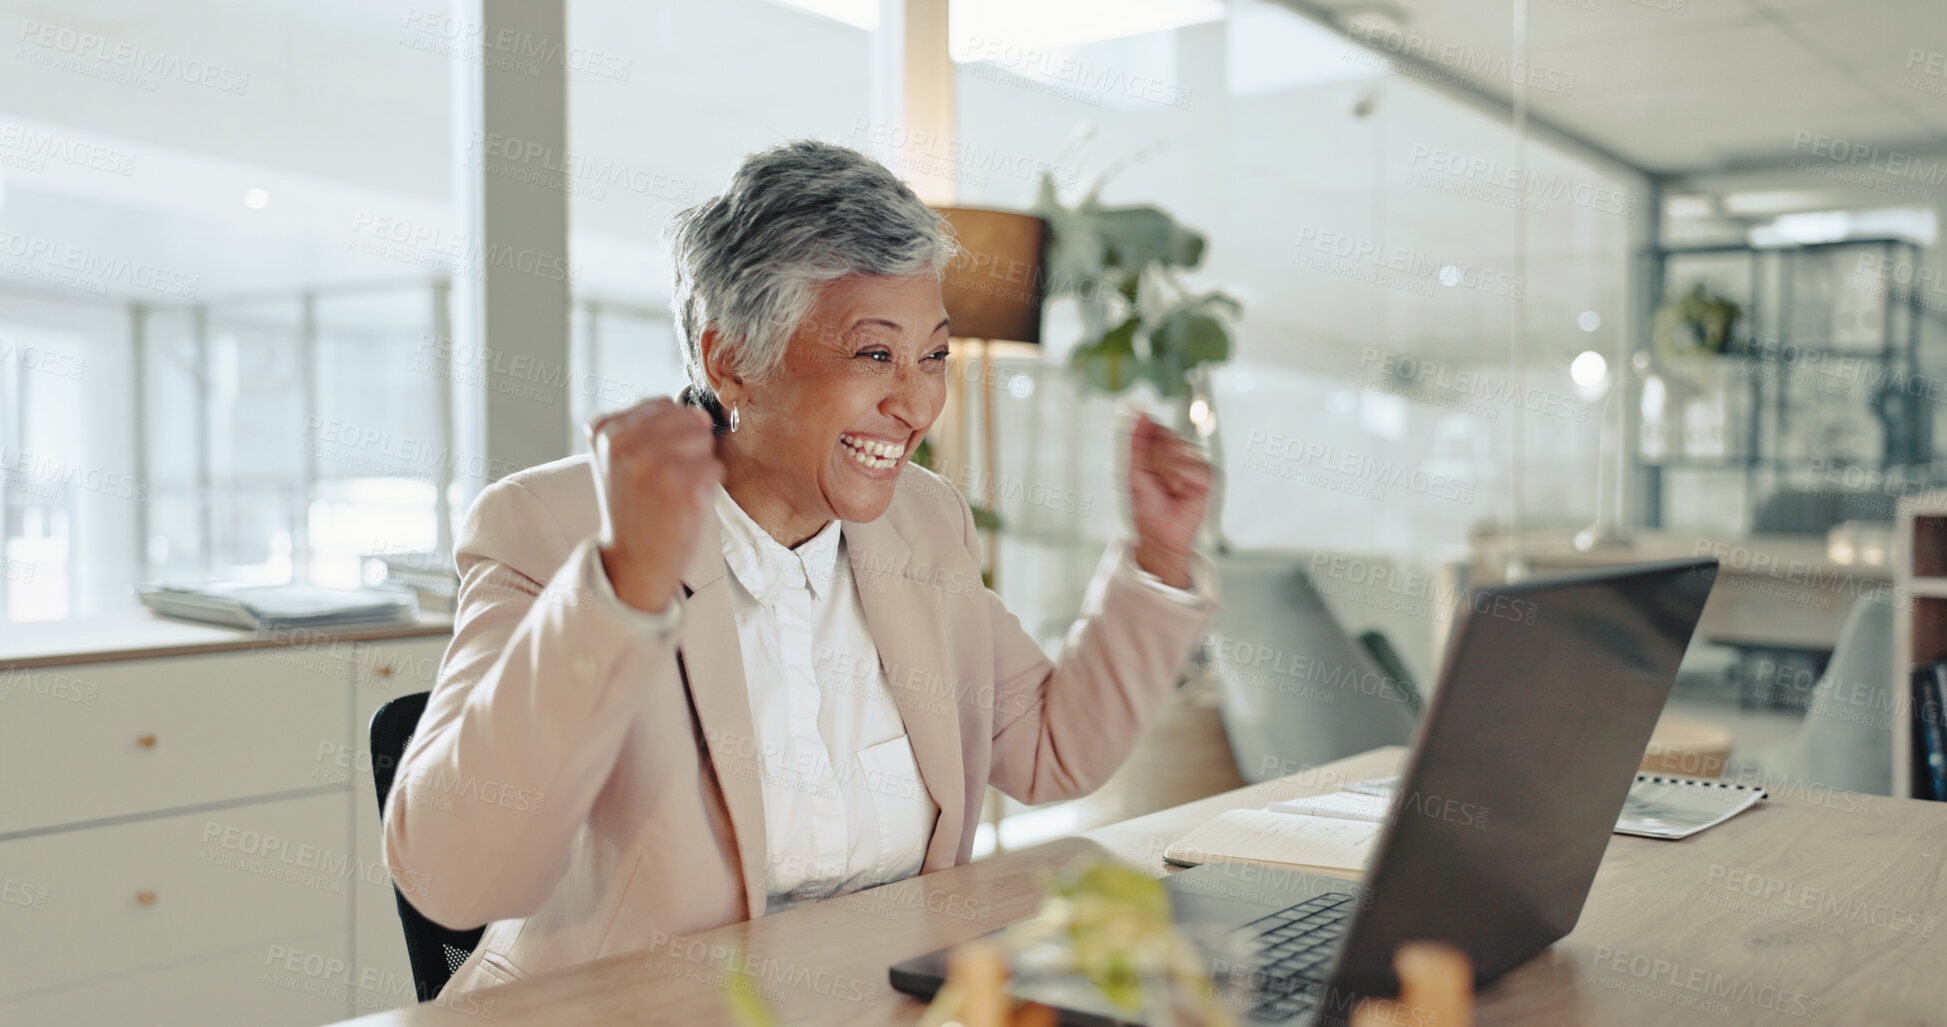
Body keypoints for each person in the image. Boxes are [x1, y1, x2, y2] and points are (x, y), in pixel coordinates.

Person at [384, 139, 1220, 997]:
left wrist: (1157, 556)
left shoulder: (921, 523)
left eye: (933, 354)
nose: (916, 402)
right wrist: (616, 590)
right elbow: (455, 880)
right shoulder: (553, 526)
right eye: (872, 354)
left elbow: (1050, 751)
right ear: (731, 362)